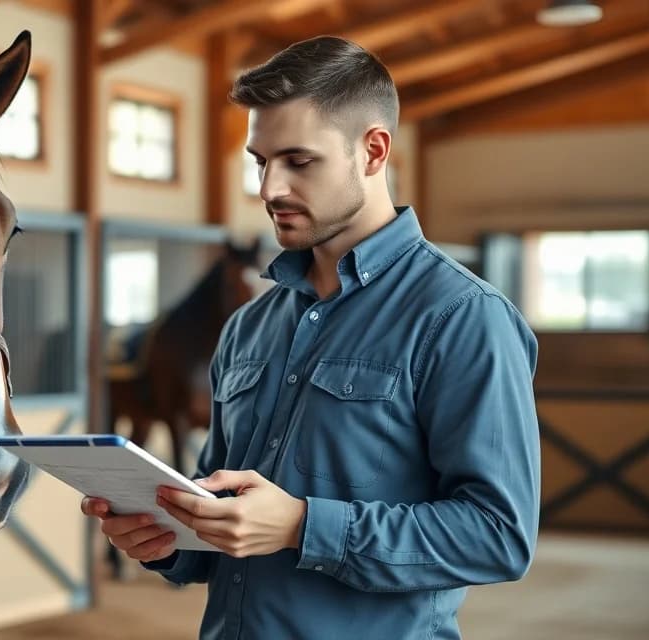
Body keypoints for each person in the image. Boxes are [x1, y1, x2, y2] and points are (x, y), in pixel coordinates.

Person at [82, 35, 541, 640]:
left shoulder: (463, 318)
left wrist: (303, 525)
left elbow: (498, 536)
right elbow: (223, 516)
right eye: (259, 162)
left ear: (373, 151)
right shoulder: (249, 326)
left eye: (299, 161)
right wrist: (166, 538)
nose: (270, 189)